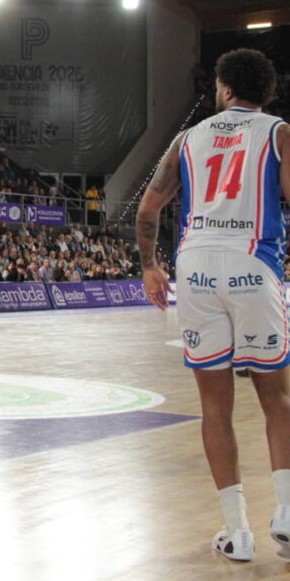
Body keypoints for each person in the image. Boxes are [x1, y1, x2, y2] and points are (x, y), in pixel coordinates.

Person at [136, 48, 290, 562]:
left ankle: (237, 531)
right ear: (265, 92)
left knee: (214, 406)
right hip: (254, 263)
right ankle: (287, 514)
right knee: (276, 399)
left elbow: (148, 208)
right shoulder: (278, 132)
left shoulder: (187, 139)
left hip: (196, 267)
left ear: (224, 88)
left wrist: (150, 267)